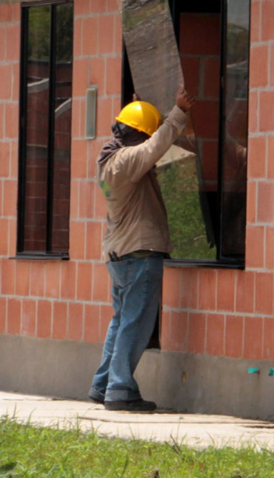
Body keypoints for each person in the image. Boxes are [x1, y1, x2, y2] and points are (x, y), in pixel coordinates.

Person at [88, 86, 194, 412]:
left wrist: (145, 104)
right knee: (135, 324)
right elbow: (153, 147)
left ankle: (103, 384)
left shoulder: (108, 160)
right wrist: (178, 112)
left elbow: (149, 146)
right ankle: (120, 389)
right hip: (138, 255)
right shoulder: (126, 162)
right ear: (138, 135)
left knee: (122, 321)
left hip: (120, 255)